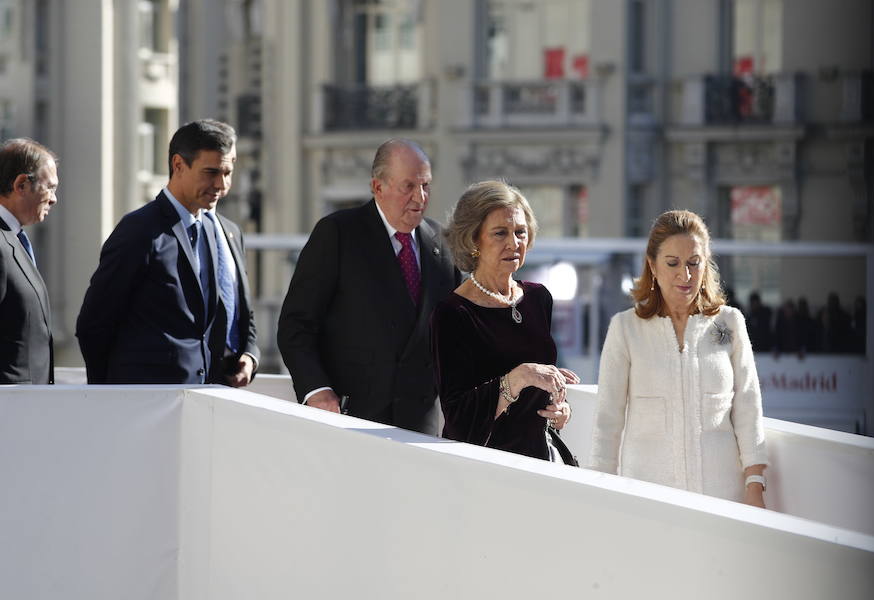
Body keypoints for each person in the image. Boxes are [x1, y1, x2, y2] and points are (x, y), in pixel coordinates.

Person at [277, 139, 459, 435]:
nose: (420, 197)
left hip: (418, 425)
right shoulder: (338, 233)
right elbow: (296, 325)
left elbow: (458, 332)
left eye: (426, 185)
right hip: (349, 418)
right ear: (378, 187)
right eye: (408, 186)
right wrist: (316, 390)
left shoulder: (442, 241)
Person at [588, 210, 768, 506]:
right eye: (672, 263)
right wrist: (601, 488)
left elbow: (748, 406)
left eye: (694, 264)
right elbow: (608, 419)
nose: (685, 275)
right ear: (652, 265)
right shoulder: (625, 329)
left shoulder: (730, 322)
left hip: (723, 498)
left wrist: (755, 483)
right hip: (648, 499)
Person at [76, 120, 259, 385]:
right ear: (178, 166)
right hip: (145, 402)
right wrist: (110, 396)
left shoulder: (212, 228)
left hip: (205, 399)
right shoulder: (139, 230)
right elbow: (94, 323)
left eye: (227, 173)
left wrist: (248, 357)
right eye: (211, 172)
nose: (221, 184)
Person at [430, 180, 580, 464]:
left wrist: (559, 408)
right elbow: (458, 417)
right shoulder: (452, 313)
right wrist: (519, 377)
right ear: (473, 240)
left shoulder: (539, 298)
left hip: (539, 461)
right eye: (500, 233)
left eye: (520, 232)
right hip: (483, 468)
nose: (514, 243)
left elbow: (529, 381)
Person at [0, 138, 58, 384]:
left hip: (28, 407)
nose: (54, 199)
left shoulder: (13, 239)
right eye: (50, 188)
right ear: (21, 184)